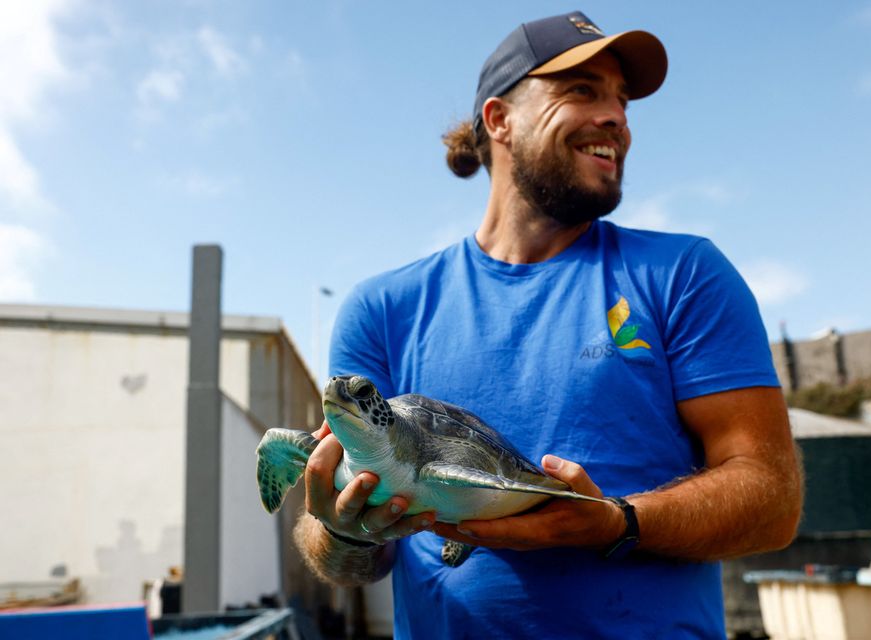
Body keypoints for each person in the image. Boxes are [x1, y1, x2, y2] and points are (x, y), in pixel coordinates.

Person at [294, 10, 803, 639]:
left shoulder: (683, 274)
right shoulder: (383, 309)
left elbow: (772, 497)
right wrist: (342, 528)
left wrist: (618, 521)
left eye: (621, 99)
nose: (617, 117)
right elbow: (344, 558)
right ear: (499, 120)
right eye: (582, 90)